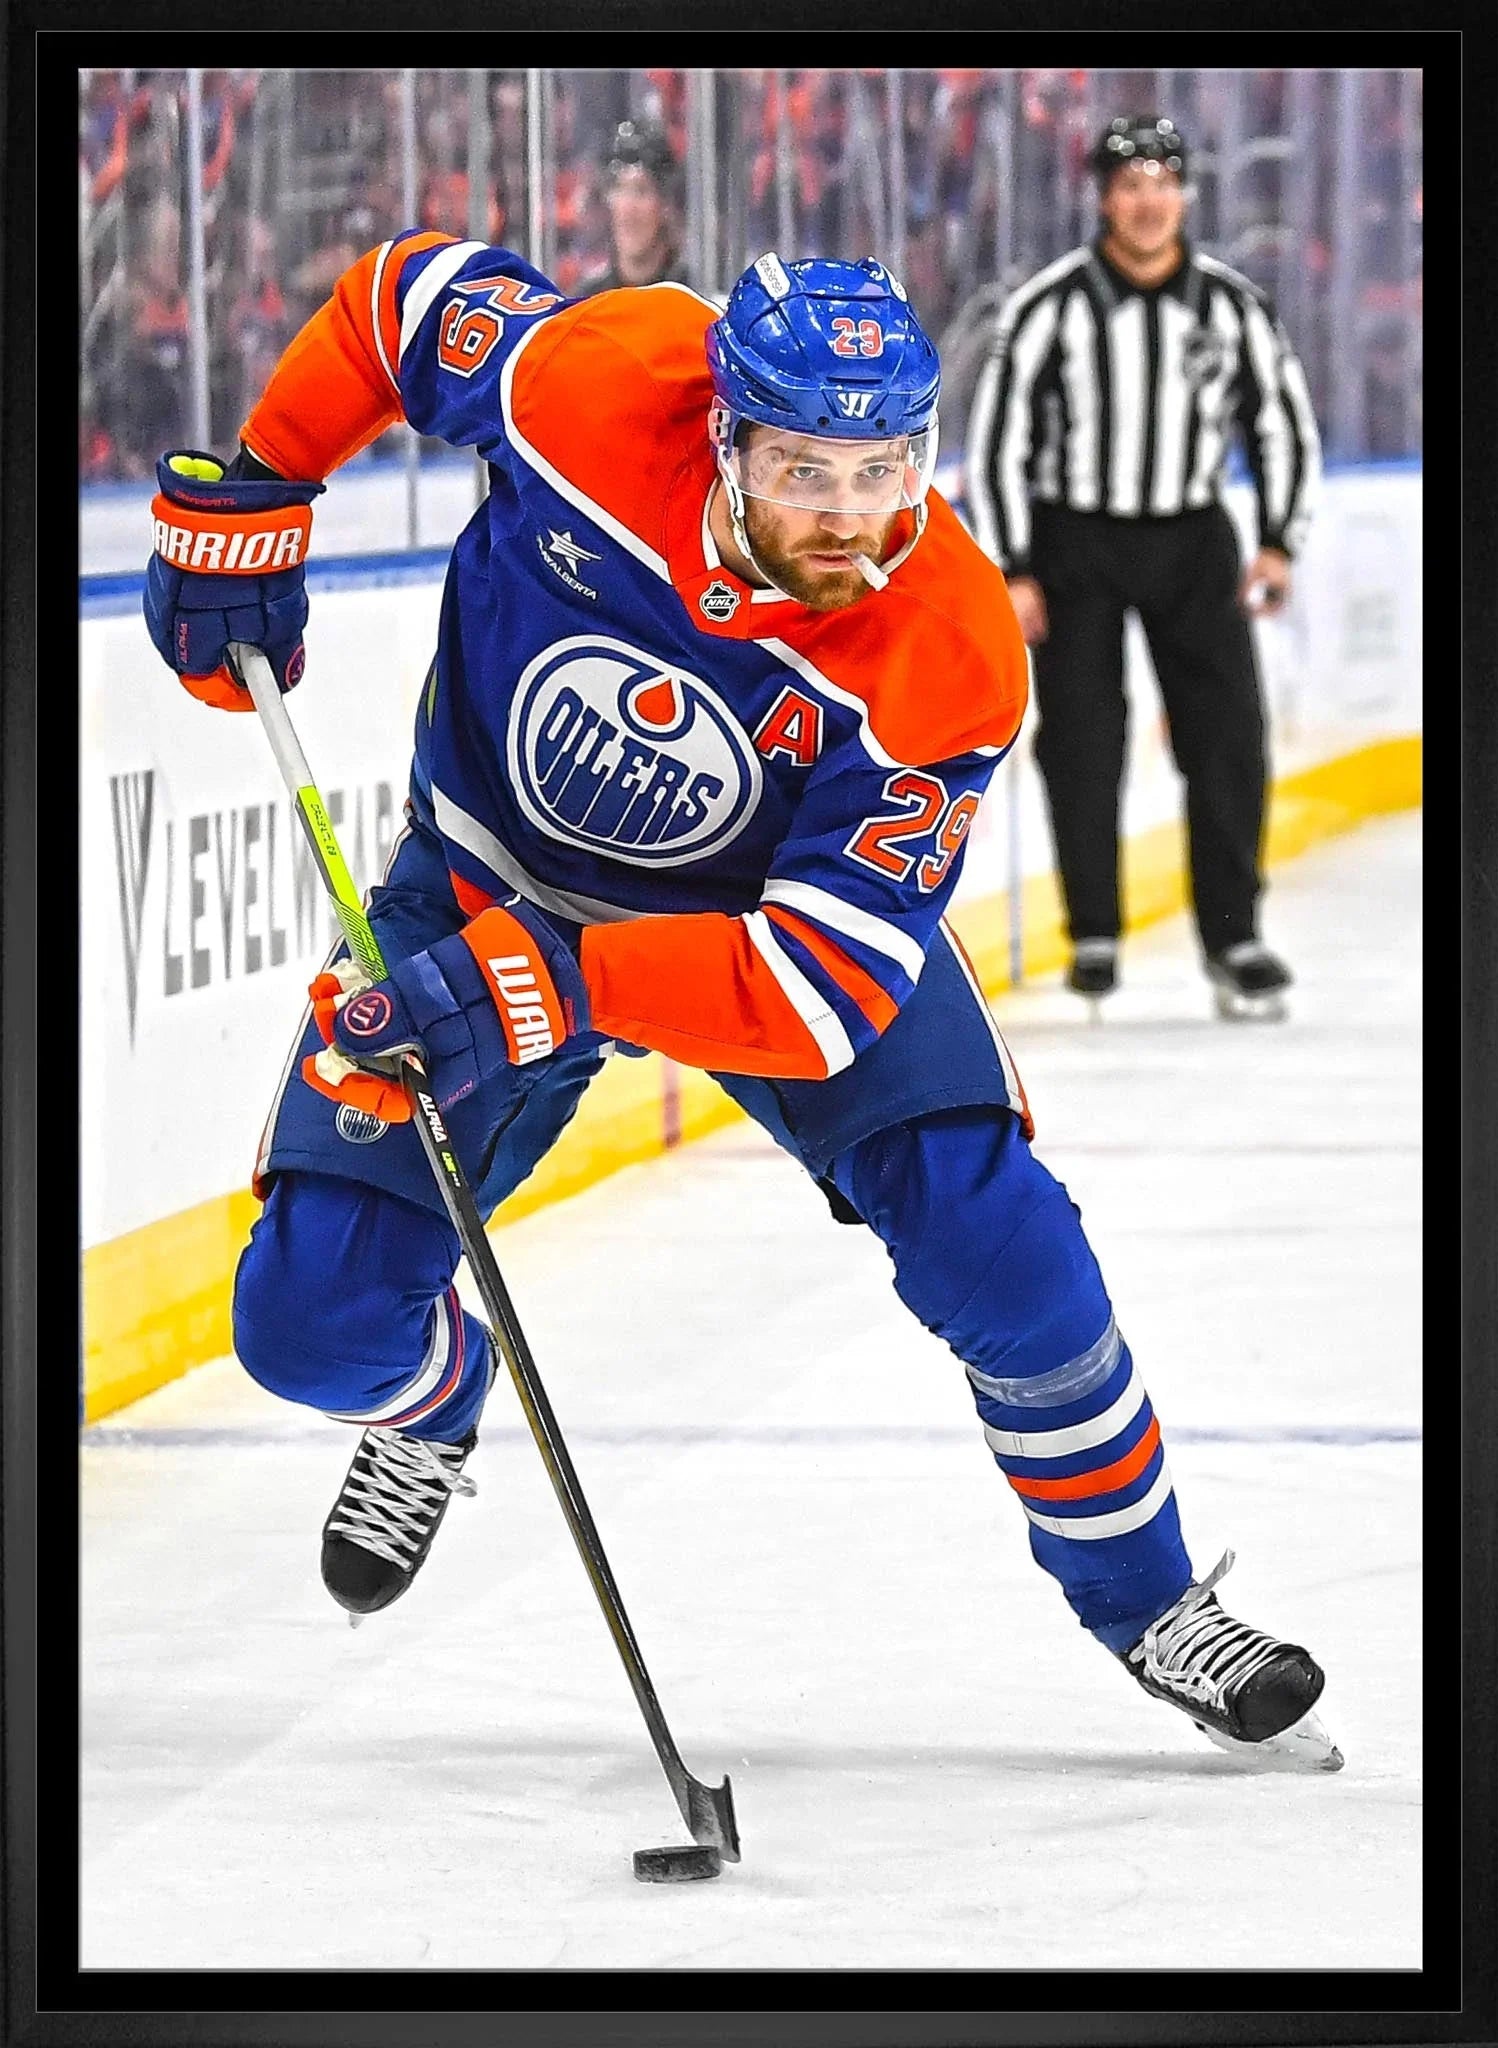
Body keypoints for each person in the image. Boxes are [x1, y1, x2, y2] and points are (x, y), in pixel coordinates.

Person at [141, 234, 1341, 1773]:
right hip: (484, 890)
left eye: (881, 468)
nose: (849, 517)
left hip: (771, 939)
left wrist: (541, 990)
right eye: (802, 469)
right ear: (722, 432)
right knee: (305, 1325)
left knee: (1006, 1248)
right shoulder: (593, 385)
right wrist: (264, 479)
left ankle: (1150, 1603)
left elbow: (814, 991)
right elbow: (399, 303)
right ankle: (440, 1397)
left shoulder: (948, 647)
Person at [965, 115, 1322, 1019]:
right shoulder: (1048, 308)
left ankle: (1234, 935)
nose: (1148, 199)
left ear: (1186, 194)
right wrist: (1014, 564)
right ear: (1103, 197)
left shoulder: (1233, 306)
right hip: (1074, 539)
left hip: (1193, 537)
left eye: (1163, 181)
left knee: (1229, 736)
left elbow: (1279, 420)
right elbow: (1000, 440)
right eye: (1130, 183)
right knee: (1084, 738)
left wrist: (1279, 539)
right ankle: (1094, 932)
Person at [576, 118, 687, 297]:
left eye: (641, 190)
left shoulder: (693, 298)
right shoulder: (588, 302)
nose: (629, 208)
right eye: (619, 189)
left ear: (665, 204)